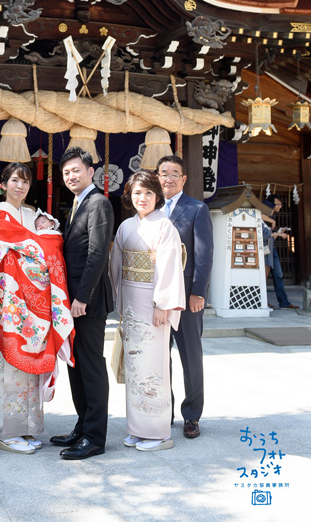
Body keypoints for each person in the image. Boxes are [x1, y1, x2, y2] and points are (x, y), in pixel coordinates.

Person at [0, 162, 74, 455]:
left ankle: (29, 428)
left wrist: (44, 240)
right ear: (2, 185)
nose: (20, 186)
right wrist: (36, 246)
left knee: (32, 367)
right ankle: (9, 432)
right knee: (11, 366)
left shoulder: (36, 216)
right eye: (15, 181)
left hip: (39, 303)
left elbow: (54, 245)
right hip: (12, 305)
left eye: (25, 182)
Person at [110, 169, 185, 451]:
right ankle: (138, 428)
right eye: (137, 192)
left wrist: (163, 305)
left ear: (157, 196)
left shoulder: (165, 226)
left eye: (148, 193)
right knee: (134, 364)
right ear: (130, 195)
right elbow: (116, 266)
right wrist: (118, 301)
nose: (142, 198)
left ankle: (158, 432)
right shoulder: (125, 227)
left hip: (154, 305)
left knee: (153, 367)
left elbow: (169, 268)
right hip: (131, 302)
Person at [50, 147, 114, 460]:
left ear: (90, 171)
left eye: (76, 170)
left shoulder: (98, 203)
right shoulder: (78, 204)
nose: (71, 176)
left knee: (90, 366)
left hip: (86, 304)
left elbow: (97, 254)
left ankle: (95, 438)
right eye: (66, 172)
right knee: (75, 366)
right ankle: (82, 426)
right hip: (72, 303)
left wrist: (81, 298)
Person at [156, 154, 213, 440]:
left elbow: (203, 255)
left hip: (187, 296)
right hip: (157, 298)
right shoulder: (151, 210)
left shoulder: (197, 209)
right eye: (164, 172)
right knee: (159, 355)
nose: (168, 178)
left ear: (184, 179)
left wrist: (198, 292)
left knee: (190, 356)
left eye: (174, 173)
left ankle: (192, 415)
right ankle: (164, 410)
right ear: (158, 177)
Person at [263, 194, 299, 310]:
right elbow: (258, 216)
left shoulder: (273, 216)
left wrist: (278, 232)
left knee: (278, 274)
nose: (280, 206)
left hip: (271, 247)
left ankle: (284, 302)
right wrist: (275, 228)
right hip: (264, 249)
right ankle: (263, 301)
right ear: (271, 205)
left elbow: (271, 237)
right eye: (278, 204)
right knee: (264, 276)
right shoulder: (265, 215)